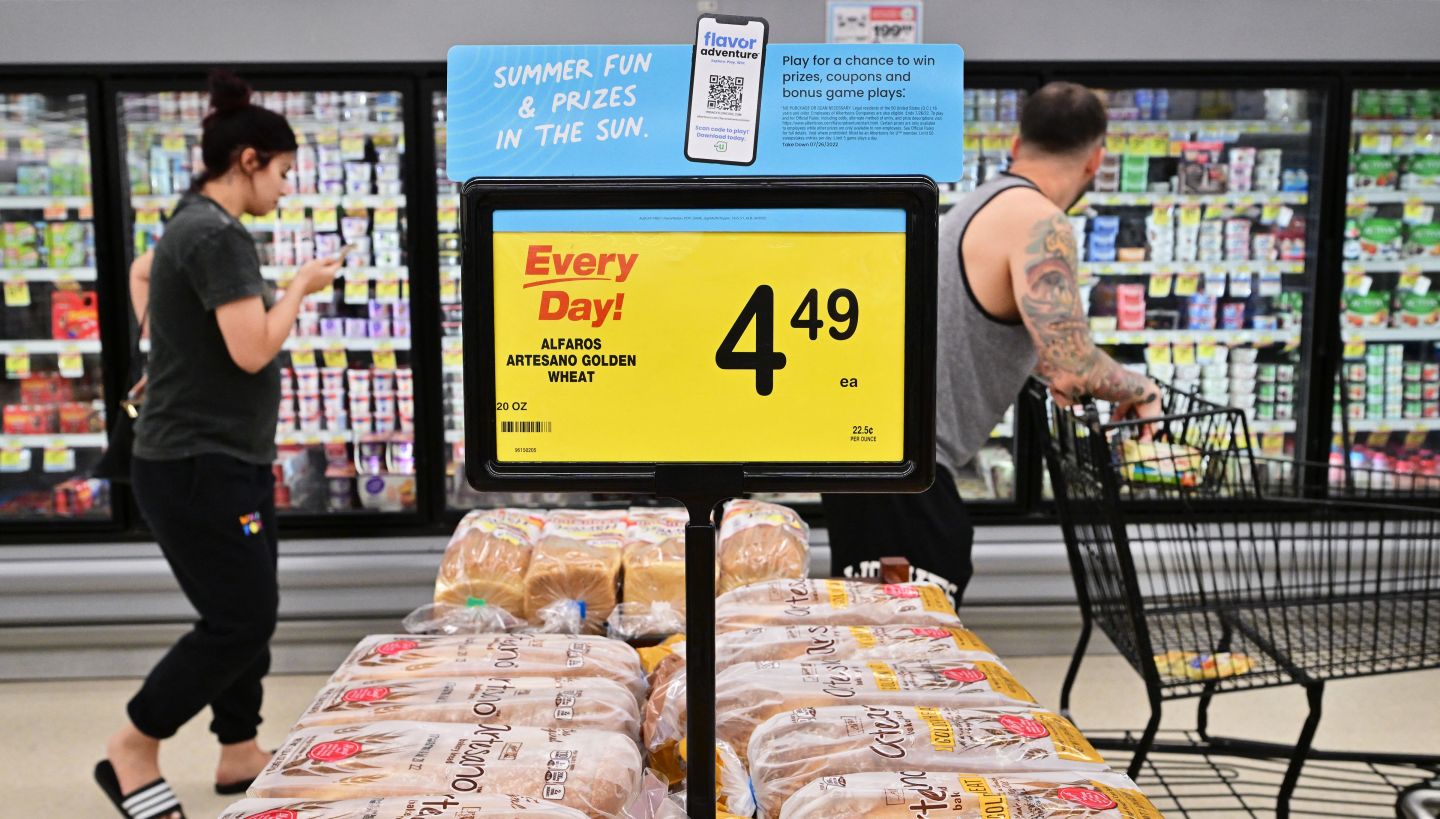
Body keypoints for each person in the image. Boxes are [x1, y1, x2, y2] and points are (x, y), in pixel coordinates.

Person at [96, 70, 340, 819]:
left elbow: (144, 272)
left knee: (248, 600)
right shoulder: (220, 236)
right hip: (200, 464)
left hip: (215, 458)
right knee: (241, 617)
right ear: (248, 161)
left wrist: (160, 356)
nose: (285, 189)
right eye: (283, 172)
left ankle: (239, 749)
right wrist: (297, 289)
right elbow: (252, 349)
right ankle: (132, 747)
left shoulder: (190, 222)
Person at [822, 82, 1162, 605]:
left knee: (883, 647)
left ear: (1015, 143)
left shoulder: (984, 201)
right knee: (911, 652)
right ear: (1096, 160)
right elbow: (1071, 362)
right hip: (903, 474)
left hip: (873, 458)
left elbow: (1038, 351)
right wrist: (1141, 388)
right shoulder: (1039, 221)